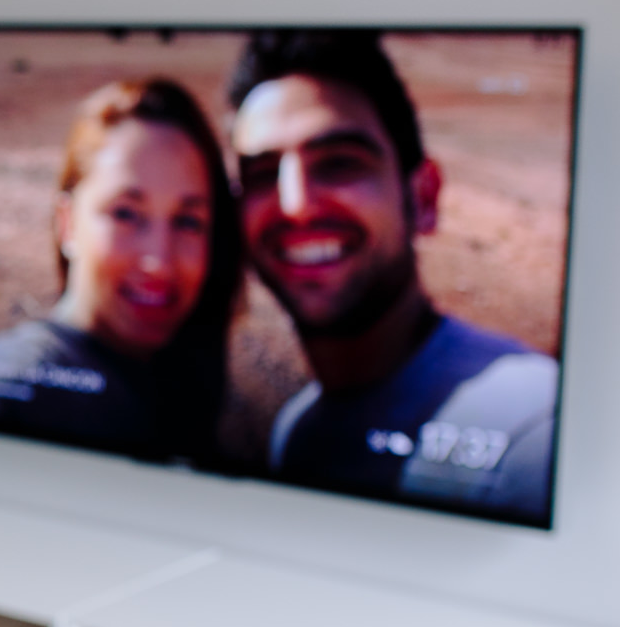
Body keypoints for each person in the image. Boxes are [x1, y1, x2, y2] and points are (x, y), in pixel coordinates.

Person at [226, 30, 558, 522]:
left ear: (423, 198)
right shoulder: (298, 431)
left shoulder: (533, 431)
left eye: (339, 163)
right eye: (262, 174)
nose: (295, 205)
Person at [0, 78, 242, 461]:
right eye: (126, 214)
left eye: (188, 221)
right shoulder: (17, 381)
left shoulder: (173, 378)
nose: (159, 261)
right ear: (68, 225)